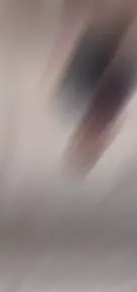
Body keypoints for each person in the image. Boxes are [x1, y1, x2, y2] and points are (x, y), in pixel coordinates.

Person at [48, 0, 137, 173]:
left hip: (104, 44)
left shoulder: (72, 95)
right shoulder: (115, 104)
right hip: (112, 57)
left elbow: (77, 47)